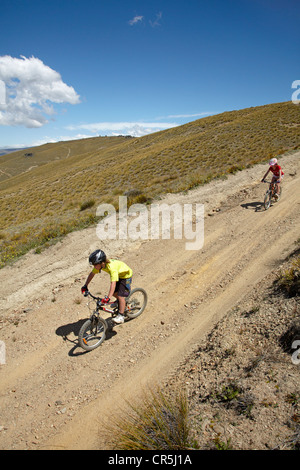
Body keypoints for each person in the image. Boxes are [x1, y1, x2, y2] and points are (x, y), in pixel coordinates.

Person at [81, 249, 133, 324]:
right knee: (115, 293)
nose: (94, 266)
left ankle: (121, 316)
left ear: (102, 262)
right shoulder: (100, 265)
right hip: (119, 275)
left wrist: (108, 298)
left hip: (126, 276)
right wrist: (85, 285)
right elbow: (92, 274)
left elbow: (113, 283)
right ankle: (119, 302)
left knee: (120, 296)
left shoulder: (112, 268)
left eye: (95, 264)